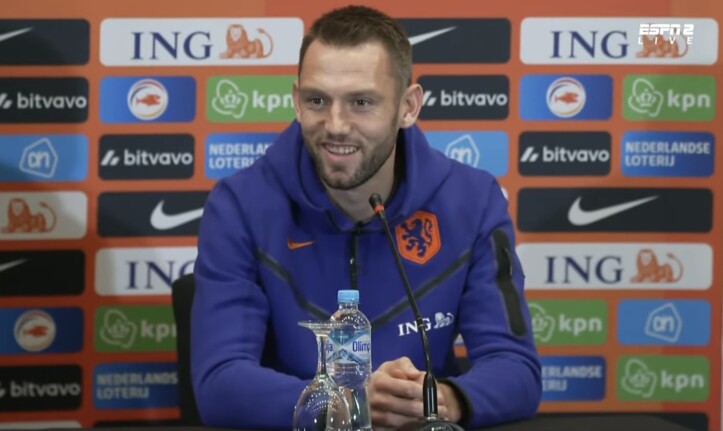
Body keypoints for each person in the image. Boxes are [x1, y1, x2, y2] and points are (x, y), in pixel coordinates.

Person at [191, 5, 541, 430]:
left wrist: (440, 400)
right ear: (296, 101)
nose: (336, 125)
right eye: (317, 100)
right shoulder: (239, 205)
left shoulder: (474, 201)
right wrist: (345, 404)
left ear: (408, 107)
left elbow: (517, 369)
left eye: (361, 102)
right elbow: (219, 383)